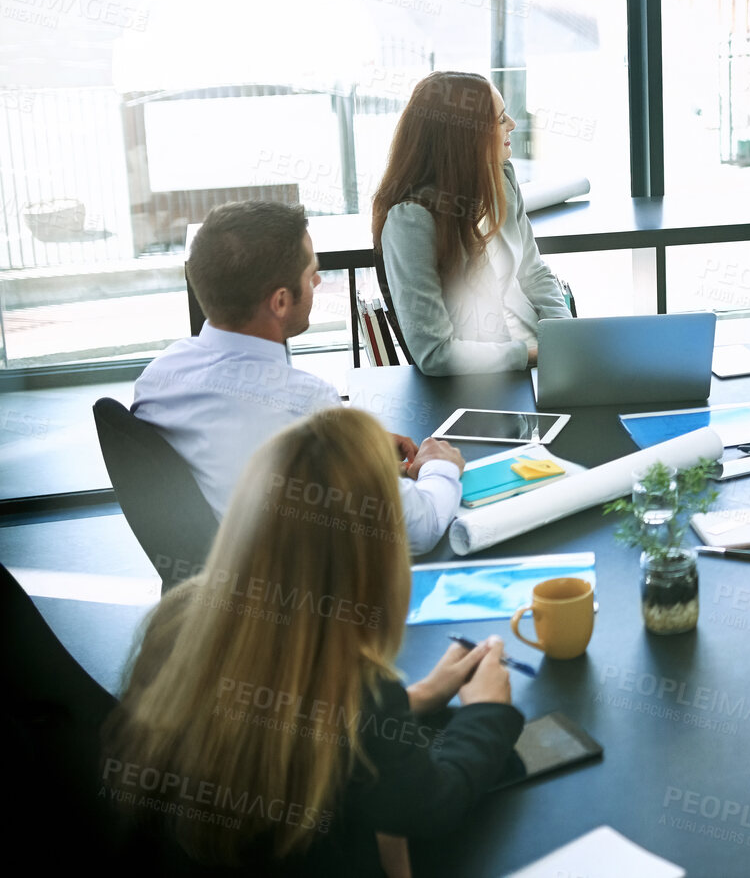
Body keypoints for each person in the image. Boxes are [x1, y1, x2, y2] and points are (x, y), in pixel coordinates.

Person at [103, 406, 524, 875]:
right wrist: (488, 712)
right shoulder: (353, 685)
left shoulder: (180, 615)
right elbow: (429, 805)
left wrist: (418, 697)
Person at [133, 200, 463, 557]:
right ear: (279, 302)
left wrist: (353, 450)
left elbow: (232, 444)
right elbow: (419, 529)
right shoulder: (306, 404)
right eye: (311, 274)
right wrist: (439, 468)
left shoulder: (160, 373)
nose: (318, 281)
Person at [373, 72, 572, 375]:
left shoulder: (501, 180)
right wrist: (532, 354)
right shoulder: (411, 221)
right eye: (500, 119)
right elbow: (434, 353)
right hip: (485, 379)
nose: (512, 125)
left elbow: (534, 273)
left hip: (543, 358)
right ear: (464, 135)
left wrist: (568, 338)